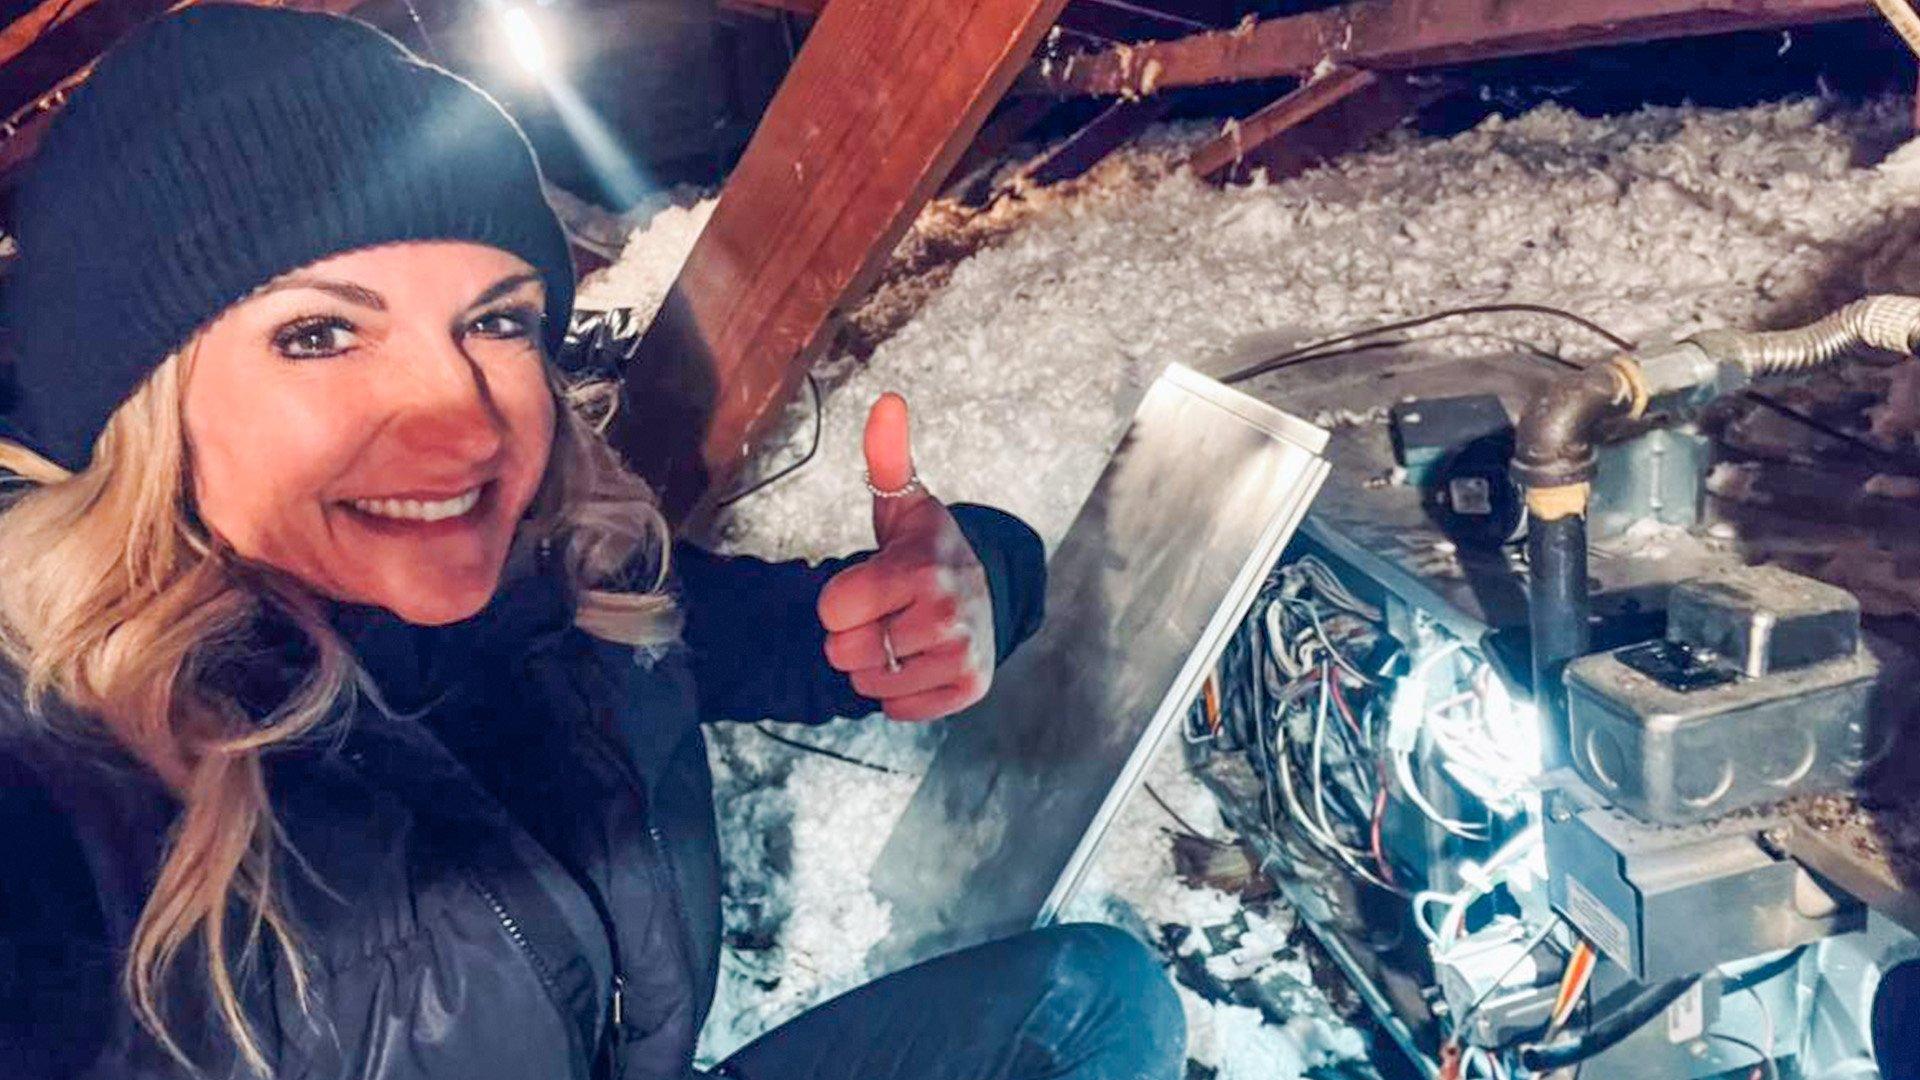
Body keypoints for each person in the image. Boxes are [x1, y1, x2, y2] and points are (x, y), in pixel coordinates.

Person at [0, 6, 1186, 1079]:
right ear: (136, 407)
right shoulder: (66, 786)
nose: (464, 421)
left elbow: (832, 620)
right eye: (318, 335)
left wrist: (974, 578)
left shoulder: (561, 599)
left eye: (497, 322)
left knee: (1092, 1003)